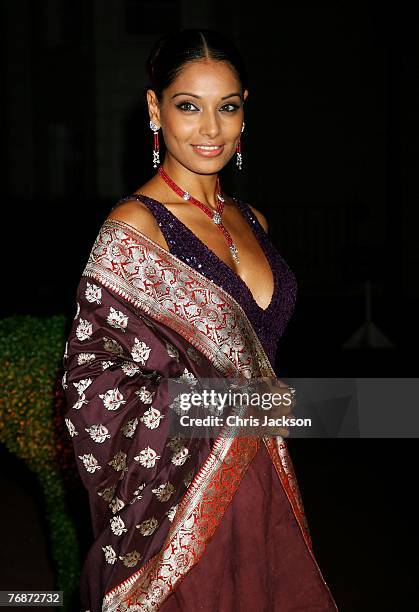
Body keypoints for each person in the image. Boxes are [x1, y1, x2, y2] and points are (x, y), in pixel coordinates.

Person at [63, 28, 338, 611]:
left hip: (268, 484)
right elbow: (91, 393)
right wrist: (232, 403)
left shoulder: (253, 219)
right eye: (188, 106)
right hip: (182, 506)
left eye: (227, 107)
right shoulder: (135, 230)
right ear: (153, 109)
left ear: (245, 112)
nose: (210, 129)